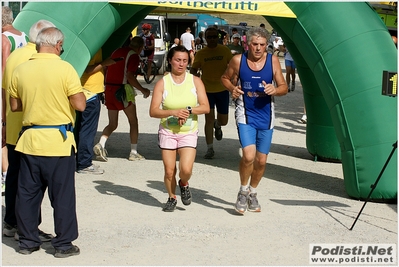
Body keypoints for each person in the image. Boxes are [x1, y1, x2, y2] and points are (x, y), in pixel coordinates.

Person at [9, 27, 85, 257]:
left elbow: (14, 106)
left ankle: (27, 241)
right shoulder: (65, 69)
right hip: (58, 141)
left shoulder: (21, 70)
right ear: (58, 44)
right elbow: (80, 104)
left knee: (27, 194)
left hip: (30, 139)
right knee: (62, 196)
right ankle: (63, 244)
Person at [220, 27, 288, 214]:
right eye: (255, 44)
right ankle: (242, 191)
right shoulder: (238, 60)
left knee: (262, 161)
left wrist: (275, 90)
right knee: (248, 156)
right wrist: (232, 88)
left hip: (266, 115)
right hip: (246, 113)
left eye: (262, 45)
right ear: (247, 44)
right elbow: (224, 78)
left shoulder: (273, 61)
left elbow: (283, 87)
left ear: (267, 45)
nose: (258, 48)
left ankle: (253, 192)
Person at [2, 19, 56, 243]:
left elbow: (4, 91)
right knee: (32, 185)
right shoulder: (42, 60)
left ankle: (11, 223)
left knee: (15, 178)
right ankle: (28, 227)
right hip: (34, 127)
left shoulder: (15, 56)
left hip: (14, 125)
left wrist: (3, 123)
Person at [149, 45, 209, 212]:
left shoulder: (195, 81)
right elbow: (153, 111)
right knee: (169, 171)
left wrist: (188, 110)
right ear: (170, 61)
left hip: (188, 132)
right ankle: (171, 197)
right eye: (177, 60)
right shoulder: (163, 83)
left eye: (185, 60)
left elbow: (205, 107)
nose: (181, 64)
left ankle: (183, 183)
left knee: (186, 170)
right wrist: (173, 112)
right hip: (168, 132)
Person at [93, 36, 151, 162]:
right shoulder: (133, 56)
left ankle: (101, 144)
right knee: (133, 121)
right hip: (122, 90)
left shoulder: (116, 51)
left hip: (109, 89)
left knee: (112, 123)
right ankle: (133, 151)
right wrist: (143, 90)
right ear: (140, 47)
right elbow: (130, 76)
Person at [190, 27, 233, 159]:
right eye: (209, 37)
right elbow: (193, 69)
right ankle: (210, 148)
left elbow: (233, 66)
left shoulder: (224, 50)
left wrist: (232, 80)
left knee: (224, 120)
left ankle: (218, 125)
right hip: (207, 90)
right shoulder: (201, 53)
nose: (212, 39)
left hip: (222, 90)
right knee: (208, 120)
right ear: (205, 38)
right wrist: (195, 76)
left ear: (218, 37)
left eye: (215, 37)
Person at [75, 49, 116, 174]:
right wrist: (104, 63)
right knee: (88, 130)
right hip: (90, 93)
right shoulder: (94, 48)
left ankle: (78, 160)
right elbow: (88, 69)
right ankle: (84, 163)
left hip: (85, 91)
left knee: (80, 128)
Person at [1, 6, 29, 192]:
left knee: (3, 133)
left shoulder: (3, 39)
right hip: (22, 85)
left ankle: (5, 172)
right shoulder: (25, 36)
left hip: (7, 86)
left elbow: (4, 67)